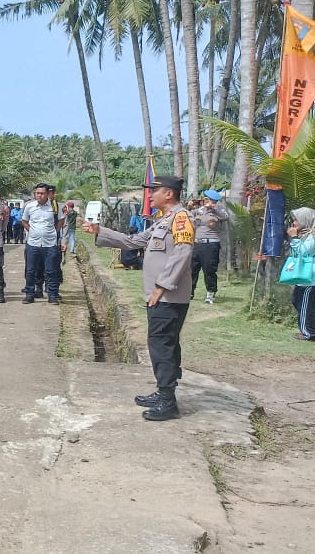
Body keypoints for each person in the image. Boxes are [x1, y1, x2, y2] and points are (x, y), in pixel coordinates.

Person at [83, 175, 193, 421]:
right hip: (162, 297)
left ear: (169, 194)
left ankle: (168, 401)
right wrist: (100, 231)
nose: (150, 195)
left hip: (168, 297)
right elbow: (133, 242)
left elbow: (182, 253)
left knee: (161, 345)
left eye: (154, 191)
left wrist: (161, 287)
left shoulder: (181, 218)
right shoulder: (163, 221)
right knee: (165, 343)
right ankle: (164, 390)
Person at [285, 207, 315, 341]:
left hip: (312, 278)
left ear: (305, 220)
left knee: (306, 307)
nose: (294, 223)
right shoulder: (305, 233)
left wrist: (294, 237)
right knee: (297, 301)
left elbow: (303, 252)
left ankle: (309, 333)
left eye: (296, 220)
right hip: (304, 277)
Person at [22, 183, 64, 305]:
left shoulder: (54, 207)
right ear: (35, 194)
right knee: (30, 270)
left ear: (47, 194)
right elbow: (24, 221)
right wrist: (32, 231)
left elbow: (61, 220)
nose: (39, 195)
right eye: (37, 193)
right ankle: (30, 294)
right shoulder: (30, 206)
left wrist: (54, 232)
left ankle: (52, 295)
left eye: (42, 193)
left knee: (51, 271)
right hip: (33, 243)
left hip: (49, 244)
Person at [190, 190, 228, 304]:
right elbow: (189, 215)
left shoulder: (219, 210)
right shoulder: (200, 210)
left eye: (208, 199)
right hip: (197, 243)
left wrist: (214, 208)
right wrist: (189, 206)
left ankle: (210, 294)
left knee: (209, 270)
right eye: (205, 199)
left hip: (211, 244)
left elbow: (226, 217)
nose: (206, 201)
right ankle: (189, 292)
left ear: (214, 200)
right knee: (192, 269)